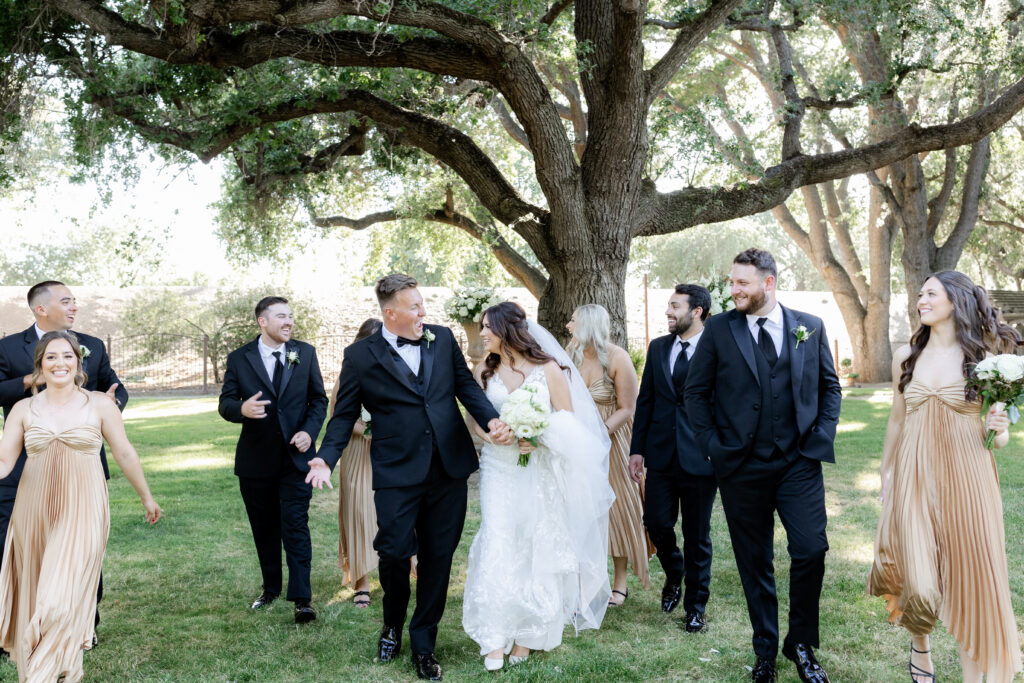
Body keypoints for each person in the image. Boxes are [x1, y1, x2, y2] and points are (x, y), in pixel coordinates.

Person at [318, 274, 513, 682]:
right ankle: (391, 624)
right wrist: (325, 458)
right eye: (414, 307)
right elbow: (342, 416)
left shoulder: (442, 339)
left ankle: (423, 641)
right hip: (395, 470)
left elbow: (466, 389)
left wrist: (492, 420)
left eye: (422, 304)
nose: (423, 312)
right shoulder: (360, 356)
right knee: (392, 552)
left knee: (438, 559)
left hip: (448, 467)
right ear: (391, 314)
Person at [685, 249, 841, 683]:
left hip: (798, 463)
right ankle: (766, 652)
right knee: (755, 563)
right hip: (740, 467)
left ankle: (802, 644)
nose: (733, 290)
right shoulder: (718, 329)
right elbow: (695, 394)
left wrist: (820, 436)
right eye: (732, 282)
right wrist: (713, 446)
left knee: (811, 548)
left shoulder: (810, 326)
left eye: (742, 283)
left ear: (768, 284)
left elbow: (831, 387)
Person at [867, 271, 1023, 683]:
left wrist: (1001, 427)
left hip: (969, 478)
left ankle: (979, 673)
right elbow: (897, 422)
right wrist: (887, 474)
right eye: (920, 294)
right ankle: (920, 645)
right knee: (919, 577)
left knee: (974, 581)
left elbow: (999, 437)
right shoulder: (907, 356)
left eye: (930, 293)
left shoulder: (985, 358)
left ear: (954, 300)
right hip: (914, 477)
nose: (921, 299)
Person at [0, 331, 160, 682]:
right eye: (51, 357)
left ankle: (40, 676)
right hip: (34, 510)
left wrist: (146, 497)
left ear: (78, 362)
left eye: (67, 356)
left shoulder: (99, 404)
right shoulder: (24, 408)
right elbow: (4, 462)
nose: (60, 363)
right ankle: (64, 671)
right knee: (37, 593)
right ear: (40, 365)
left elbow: (124, 452)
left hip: (84, 506)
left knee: (61, 597)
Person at [462, 301, 614, 672]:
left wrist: (538, 436)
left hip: (538, 470)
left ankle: (529, 634)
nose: (482, 333)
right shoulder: (484, 368)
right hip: (498, 468)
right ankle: (495, 635)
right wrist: (491, 434)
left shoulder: (549, 370)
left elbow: (570, 425)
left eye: (487, 327)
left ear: (507, 330)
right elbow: (475, 419)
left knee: (534, 543)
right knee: (499, 538)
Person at [0, 280, 127, 642]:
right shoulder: (8, 348)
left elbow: (114, 387)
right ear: (41, 309)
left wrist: (111, 403)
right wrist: (31, 379)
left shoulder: (93, 346)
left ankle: (84, 622)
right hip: (22, 467)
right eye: (66, 301)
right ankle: (16, 625)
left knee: (81, 548)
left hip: (82, 469)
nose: (74, 307)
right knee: (16, 546)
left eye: (74, 301)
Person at [218, 296, 329, 624]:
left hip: (297, 460)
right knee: (264, 528)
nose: (289, 321)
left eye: (291, 316)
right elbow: (225, 402)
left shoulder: (305, 353)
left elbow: (318, 400)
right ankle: (270, 587)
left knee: (295, 525)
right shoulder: (239, 358)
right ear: (262, 322)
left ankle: (302, 598)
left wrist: (309, 431)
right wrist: (241, 409)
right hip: (256, 461)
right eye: (282, 316)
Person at [629, 285, 717, 633]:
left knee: (698, 535)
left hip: (702, 457)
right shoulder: (658, 347)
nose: (668, 311)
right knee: (656, 522)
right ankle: (674, 571)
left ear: (697, 311)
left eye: (675, 306)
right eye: (668, 305)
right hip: (662, 454)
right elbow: (646, 399)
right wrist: (637, 449)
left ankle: (695, 607)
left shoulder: (716, 348)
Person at [567, 304, 650, 605]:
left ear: (587, 325)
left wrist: (599, 434)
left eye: (573, 321)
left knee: (618, 510)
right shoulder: (571, 357)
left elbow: (628, 408)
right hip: (577, 444)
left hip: (613, 442)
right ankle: (586, 580)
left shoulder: (617, 357)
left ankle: (620, 582)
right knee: (583, 510)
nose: (568, 326)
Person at [329, 318, 383, 608]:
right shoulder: (348, 373)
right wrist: (366, 430)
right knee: (359, 512)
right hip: (357, 448)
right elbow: (338, 413)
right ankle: (360, 580)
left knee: (391, 511)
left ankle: (403, 566)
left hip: (388, 450)